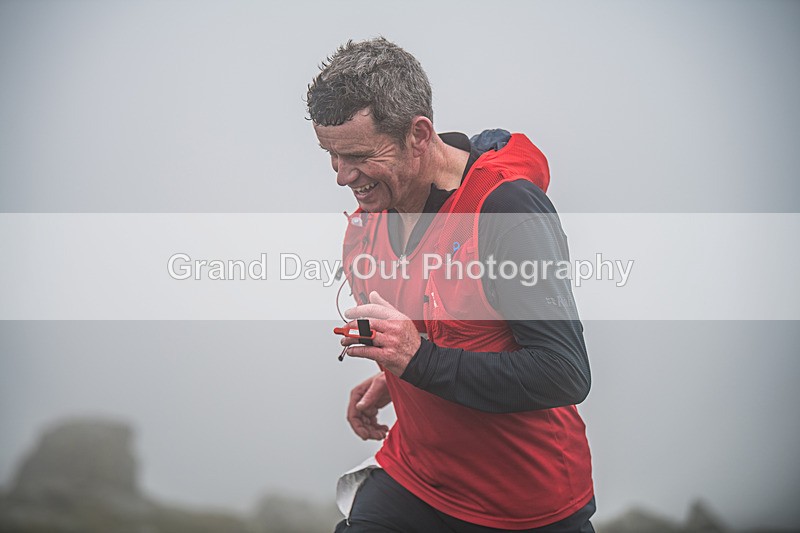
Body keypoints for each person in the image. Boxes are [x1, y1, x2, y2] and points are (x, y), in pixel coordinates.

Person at [307, 37, 595, 532]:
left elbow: (564, 373)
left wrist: (418, 362)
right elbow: (443, 329)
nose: (342, 176)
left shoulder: (506, 211)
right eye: (331, 155)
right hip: (416, 477)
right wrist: (397, 379)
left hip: (524, 506)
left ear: (419, 135)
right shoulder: (377, 205)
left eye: (357, 155)